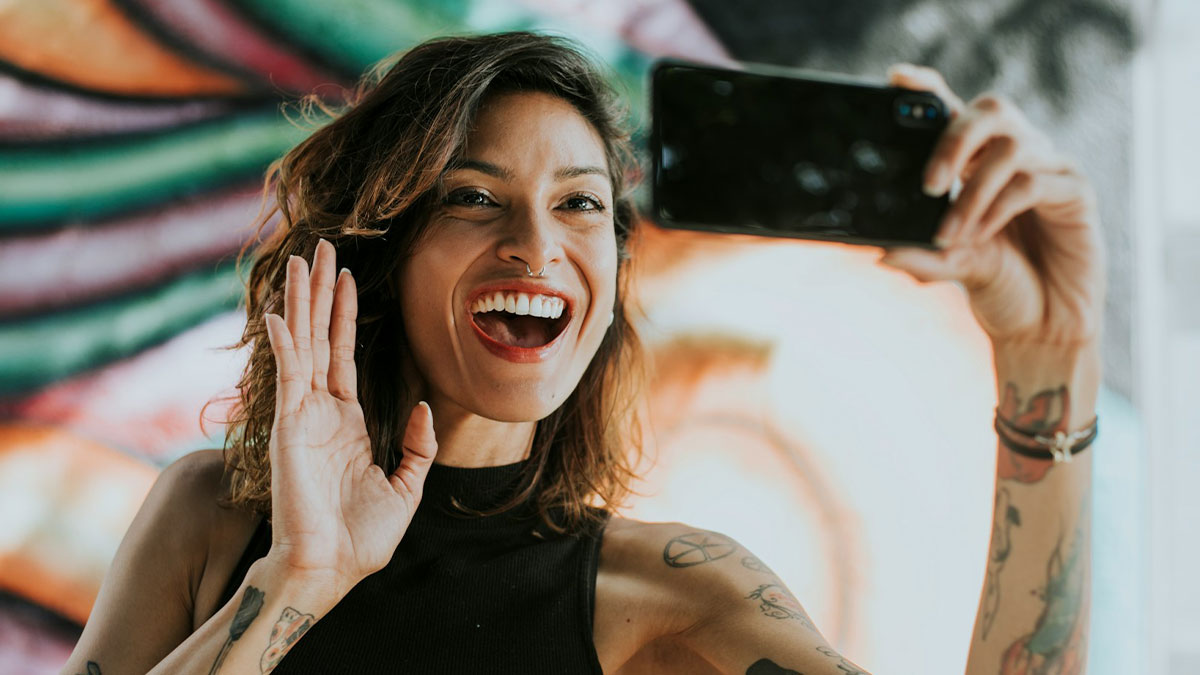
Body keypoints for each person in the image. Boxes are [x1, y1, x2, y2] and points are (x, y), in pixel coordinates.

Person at [60, 31, 1102, 674]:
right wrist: (300, 577)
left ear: (610, 278)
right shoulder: (215, 519)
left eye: (581, 205)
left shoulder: (677, 595)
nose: (537, 245)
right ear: (382, 253)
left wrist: (1052, 357)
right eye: (473, 197)